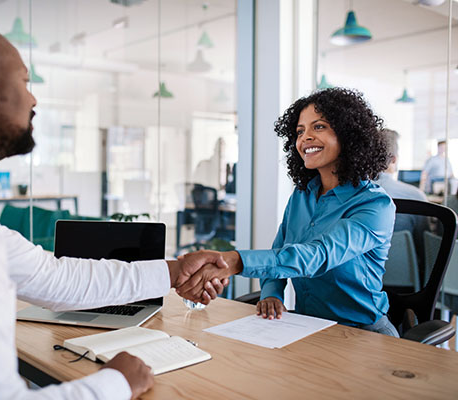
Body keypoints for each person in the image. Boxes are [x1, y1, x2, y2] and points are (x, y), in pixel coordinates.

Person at [0, 23, 228, 400]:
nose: (33, 100)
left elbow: (54, 277)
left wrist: (174, 270)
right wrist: (116, 382)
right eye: (24, 82)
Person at [178, 88, 400, 337]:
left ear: (348, 135)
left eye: (319, 127)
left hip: (363, 333)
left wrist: (234, 261)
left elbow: (317, 255)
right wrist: (272, 292)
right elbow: (280, 250)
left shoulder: (375, 205)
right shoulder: (302, 194)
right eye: (300, 131)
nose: (305, 138)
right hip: (308, 327)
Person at [375, 129, 428, 265]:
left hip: (362, 279)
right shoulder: (416, 197)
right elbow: (424, 246)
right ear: (394, 159)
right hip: (410, 280)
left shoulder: (350, 193)